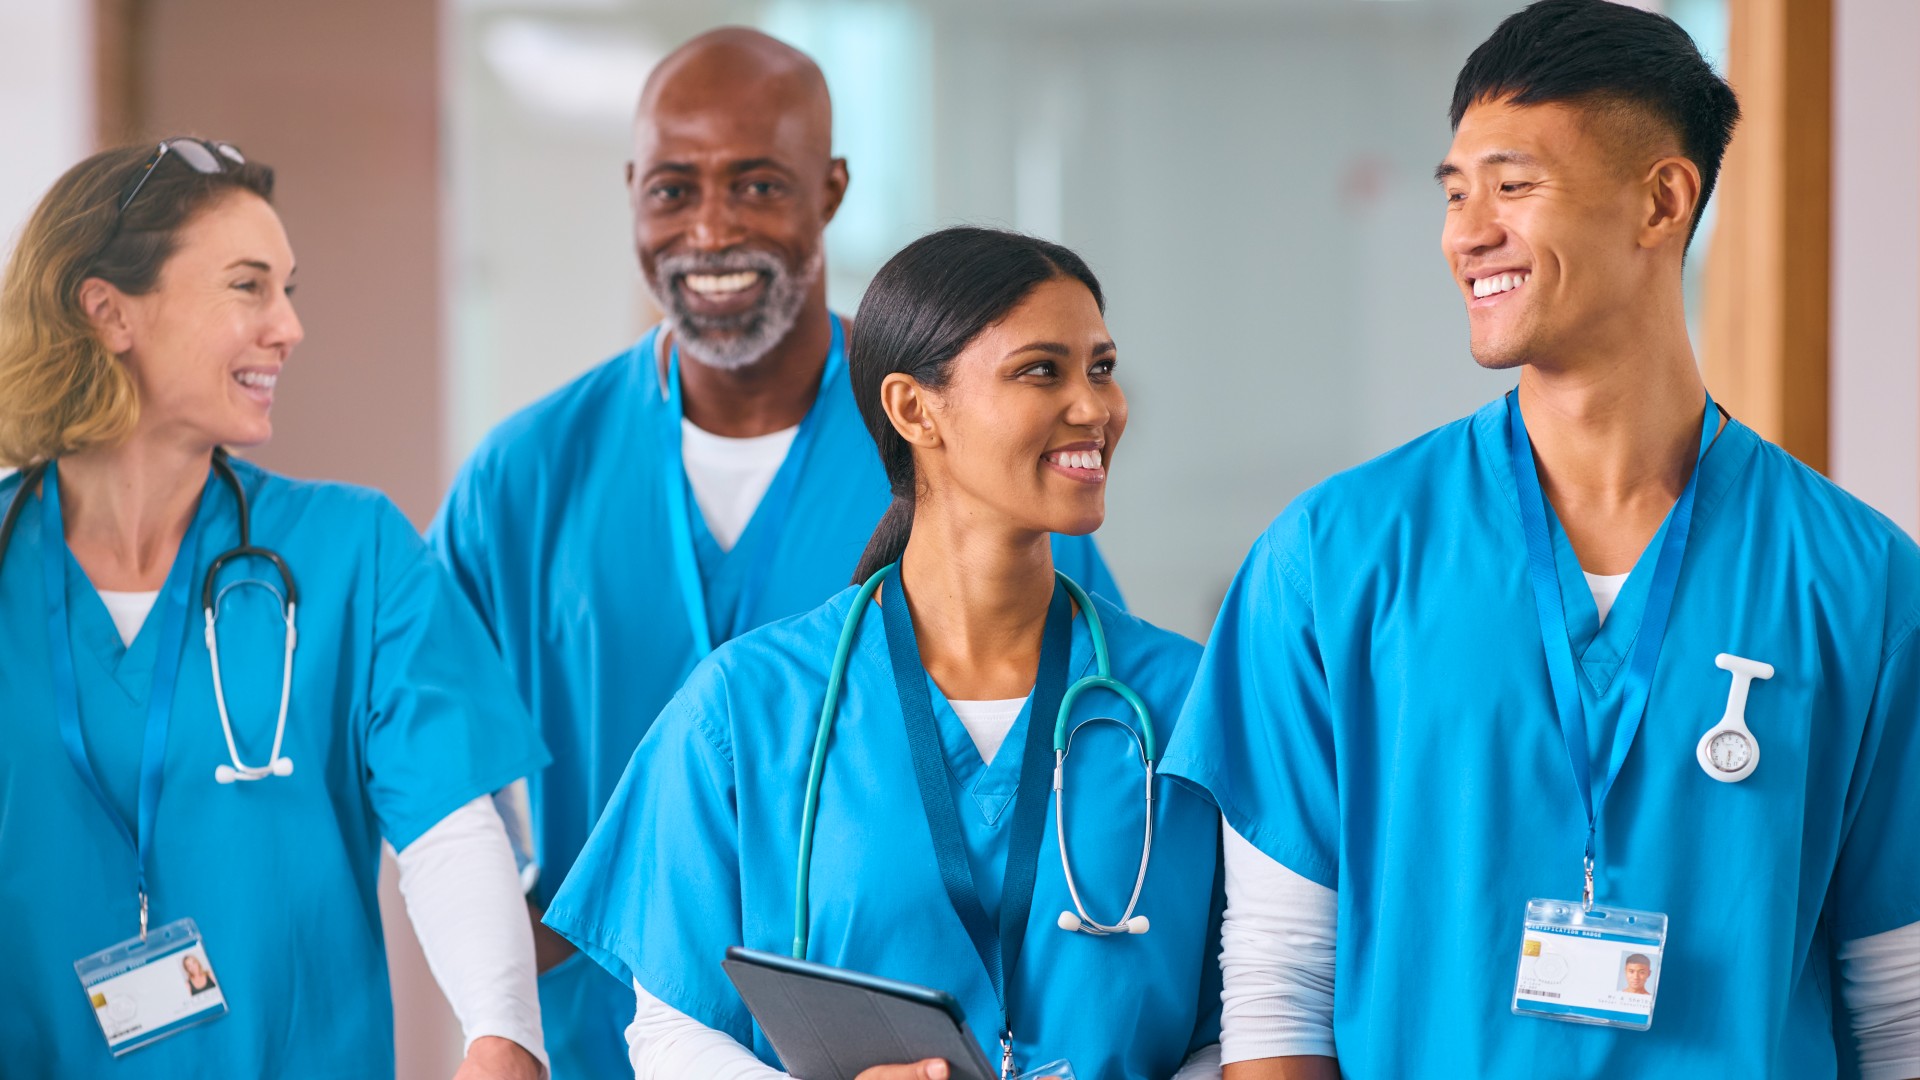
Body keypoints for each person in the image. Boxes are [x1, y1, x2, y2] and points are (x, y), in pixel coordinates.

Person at [1158, 3, 1920, 1078]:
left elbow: (1899, 1009)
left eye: (1514, 187)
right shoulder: (1334, 561)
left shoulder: (1859, 584)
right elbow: (1279, 990)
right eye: (1456, 192)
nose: (1467, 232)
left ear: (1663, 201)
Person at [428, 29, 1120, 1078]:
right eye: (672, 191)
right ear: (630, 194)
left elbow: (1081, 735)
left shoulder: (951, 441)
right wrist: (499, 1011)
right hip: (595, 1042)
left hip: (908, 1047)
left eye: (757, 185)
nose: (711, 229)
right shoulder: (524, 478)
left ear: (832, 188)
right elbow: (435, 786)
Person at [543, 227, 1221, 1080]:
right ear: (912, 408)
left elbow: (1250, 1011)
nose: (1095, 407)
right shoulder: (749, 709)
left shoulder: (1187, 703)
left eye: (1102, 367)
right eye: (1042, 371)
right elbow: (671, 1028)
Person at [0, 140, 550, 1079]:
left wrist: (503, 1035)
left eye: (288, 290)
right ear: (110, 311)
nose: (288, 327)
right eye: (249, 287)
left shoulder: (354, 552)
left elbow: (451, 825)